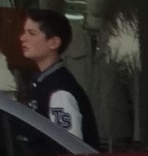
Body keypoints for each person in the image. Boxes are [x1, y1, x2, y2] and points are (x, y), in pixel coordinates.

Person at [18, 9, 94, 141]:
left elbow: (68, 147)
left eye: (31, 33)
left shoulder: (60, 91)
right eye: (24, 32)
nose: (22, 38)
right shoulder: (45, 82)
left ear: (54, 43)